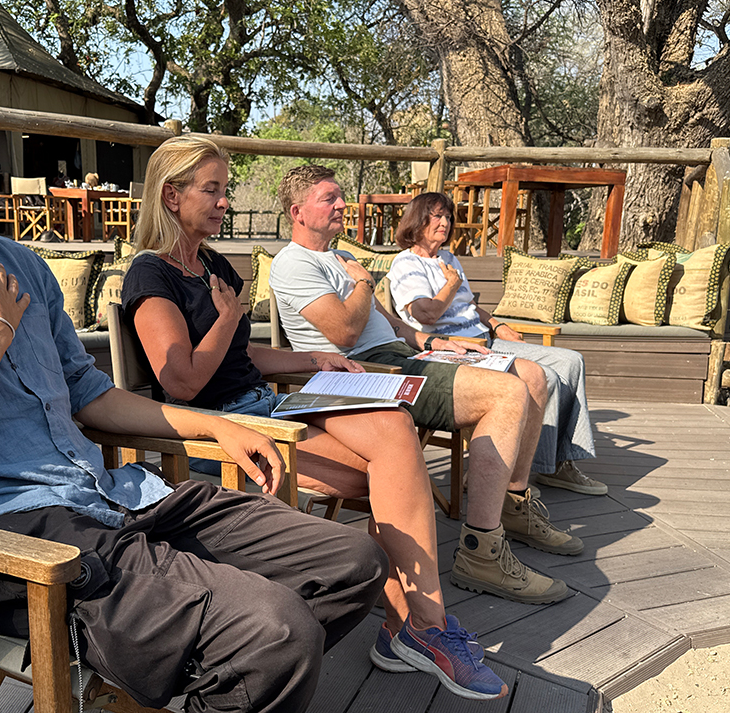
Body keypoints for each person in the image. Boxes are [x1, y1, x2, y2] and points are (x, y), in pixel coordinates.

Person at [0, 38, 387, 713]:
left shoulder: (14, 261)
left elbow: (90, 395)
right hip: (7, 542)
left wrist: (218, 426)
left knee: (351, 562)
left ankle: (207, 678)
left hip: (114, 497)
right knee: (274, 629)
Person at [121, 134, 508, 700]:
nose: (225, 201)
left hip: (268, 403)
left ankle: (417, 628)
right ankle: (418, 630)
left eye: (225, 190)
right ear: (171, 196)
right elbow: (180, 379)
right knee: (395, 474)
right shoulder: (150, 275)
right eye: (213, 191)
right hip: (219, 432)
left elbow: (241, 357)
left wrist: (312, 358)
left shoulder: (213, 265)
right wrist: (230, 317)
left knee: (393, 425)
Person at [271, 164, 586, 605]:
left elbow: (392, 325)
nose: (342, 204)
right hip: (358, 375)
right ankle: (481, 550)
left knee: (531, 375)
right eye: (330, 198)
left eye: (341, 196)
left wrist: (440, 342)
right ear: (298, 211)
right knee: (506, 393)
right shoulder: (293, 263)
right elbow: (343, 333)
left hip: (402, 356)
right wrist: (364, 282)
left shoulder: (339, 258)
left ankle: (513, 506)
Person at [389, 192, 605, 495]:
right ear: (416, 220)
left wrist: (497, 323)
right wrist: (450, 285)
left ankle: (557, 464)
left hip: (484, 338)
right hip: (454, 349)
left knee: (571, 361)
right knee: (548, 378)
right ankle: (524, 472)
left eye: (448, 217)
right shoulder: (405, 264)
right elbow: (426, 313)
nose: (445, 222)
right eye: (436, 216)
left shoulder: (448, 259)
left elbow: (469, 306)